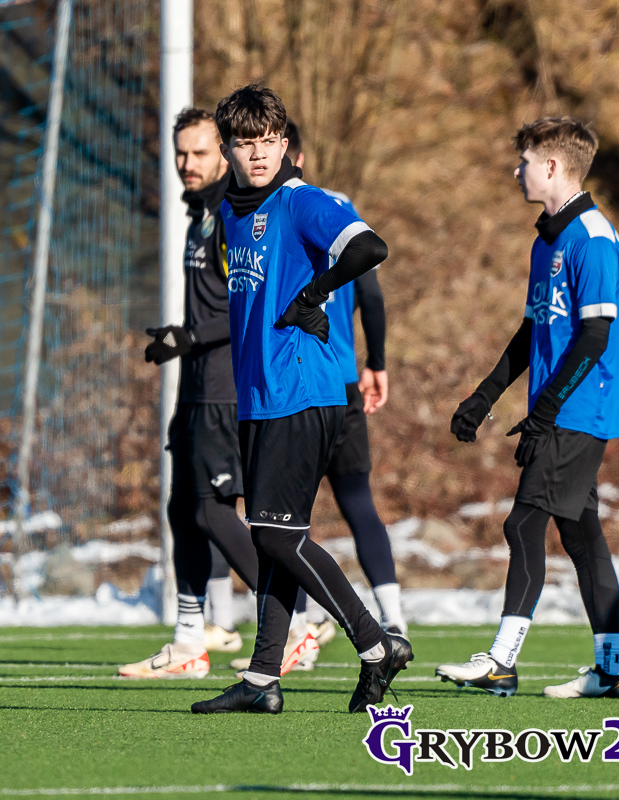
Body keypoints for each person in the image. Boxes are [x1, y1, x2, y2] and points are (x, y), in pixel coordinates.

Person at [190, 85, 412, 716]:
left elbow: (370, 248)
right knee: (274, 537)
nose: (258, 154)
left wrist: (313, 296)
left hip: (304, 390)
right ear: (228, 151)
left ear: (285, 144)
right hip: (259, 396)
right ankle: (263, 679)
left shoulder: (301, 200)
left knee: (274, 534)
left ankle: (375, 644)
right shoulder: (231, 210)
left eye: (268, 142)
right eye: (245, 143)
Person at [436, 116, 619, 699]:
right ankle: (611, 669)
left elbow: (595, 336)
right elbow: (532, 332)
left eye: (523, 161)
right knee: (580, 535)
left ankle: (501, 661)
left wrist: (544, 413)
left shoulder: (593, 237)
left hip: (577, 409)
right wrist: (485, 396)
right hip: (560, 407)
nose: (515, 170)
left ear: (552, 165)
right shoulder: (547, 239)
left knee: (523, 524)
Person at [120, 108, 318, 678]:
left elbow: (251, 303)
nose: (188, 163)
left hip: (226, 387)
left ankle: (297, 624)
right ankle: (189, 640)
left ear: (225, 153)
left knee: (213, 509)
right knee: (183, 508)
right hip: (196, 385)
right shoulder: (202, 215)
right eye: (181, 153)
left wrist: (189, 336)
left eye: (200, 152)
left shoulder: (236, 214)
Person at [284, 120, 408, 640]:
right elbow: (371, 296)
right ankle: (393, 615)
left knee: (286, 514)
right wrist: (375, 361)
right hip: (343, 381)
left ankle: (299, 626)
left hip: (297, 385)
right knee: (357, 499)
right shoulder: (340, 207)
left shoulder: (271, 210)